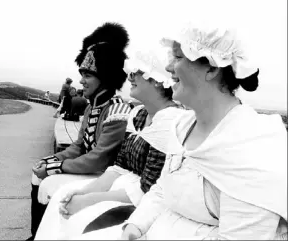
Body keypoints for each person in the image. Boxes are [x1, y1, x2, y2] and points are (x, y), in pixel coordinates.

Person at [119, 22, 287, 240]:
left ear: (212, 68)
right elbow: (163, 189)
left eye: (178, 57)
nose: (169, 67)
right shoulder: (182, 127)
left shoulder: (251, 149)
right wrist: (135, 227)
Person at [34, 44, 186, 240]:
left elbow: (145, 185)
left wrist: (88, 197)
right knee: (63, 196)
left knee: (79, 221)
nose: (130, 77)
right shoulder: (138, 114)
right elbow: (117, 166)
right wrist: (83, 192)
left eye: (136, 72)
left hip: (142, 199)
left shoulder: (169, 119)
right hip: (119, 185)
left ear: (157, 81)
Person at [27, 22, 132, 240]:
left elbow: (99, 159)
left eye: (88, 75)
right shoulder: (91, 106)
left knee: (48, 183)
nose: (81, 81)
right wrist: (51, 160)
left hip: (105, 177)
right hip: (93, 171)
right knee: (39, 177)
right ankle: (36, 234)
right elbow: (79, 146)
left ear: (105, 77)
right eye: (82, 74)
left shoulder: (117, 110)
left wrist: (55, 167)